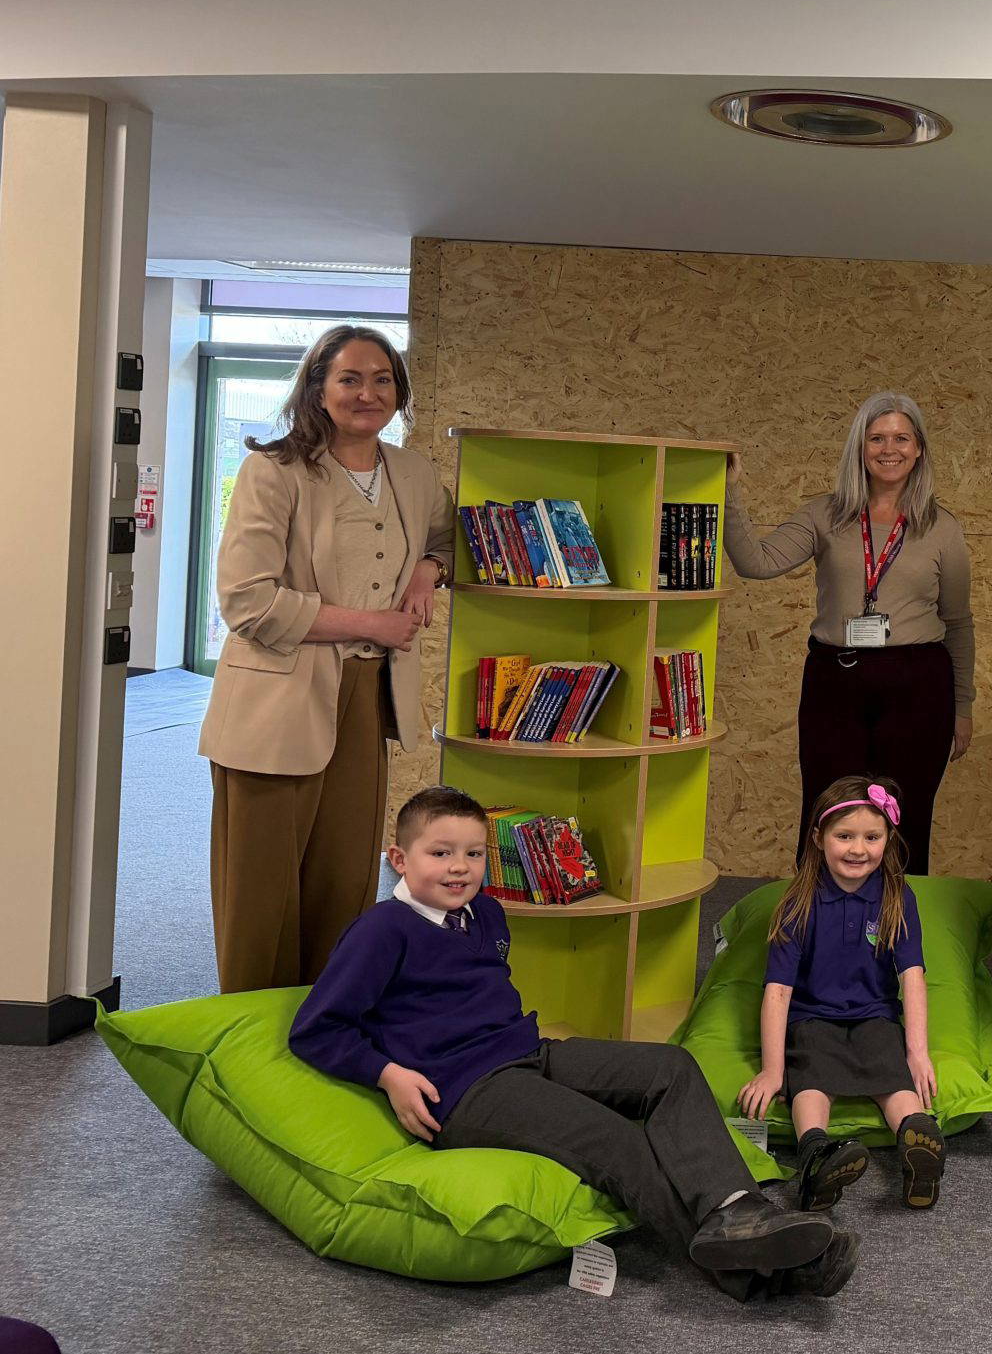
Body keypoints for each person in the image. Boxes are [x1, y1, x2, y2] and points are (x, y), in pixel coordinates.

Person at [289, 786, 857, 1302]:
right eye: (440, 853)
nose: (460, 868)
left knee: (671, 1067)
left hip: (530, 1052)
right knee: (616, 1142)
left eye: (474, 853)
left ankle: (741, 1213)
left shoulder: (483, 913)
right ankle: (760, 1273)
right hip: (467, 1090)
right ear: (399, 859)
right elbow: (316, 1027)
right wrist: (388, 1073)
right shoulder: (381, 931)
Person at [198, 325, 455, 993]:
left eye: (382, 379)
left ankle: (322, 1024)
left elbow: (448, 537)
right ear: (317, 387)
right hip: (273, 705)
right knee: (260, 896)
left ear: (399, 392)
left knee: (344, 887)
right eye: (350, 378)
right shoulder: (273, 470)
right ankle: (250, 1040)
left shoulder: (413, 471)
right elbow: (247, 601)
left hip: (368, 699)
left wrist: (429, 568)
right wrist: (374, 621)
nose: (368, 392)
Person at [723, 392, 974, 874]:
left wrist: (963, 707)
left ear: (919, 448)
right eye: (877, 438)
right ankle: (817, 930)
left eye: (902, 438)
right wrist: (728, 490)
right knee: (828, 811)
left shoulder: (943, 528)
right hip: (835, 681)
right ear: (859, 447)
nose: (889, 448)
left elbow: (959, 623)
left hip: (918, 683)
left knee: (906, 816)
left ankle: (898, 937)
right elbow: (756, 563)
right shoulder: (825, 515)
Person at [736, 775, 946, 1211]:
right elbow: (778, 990)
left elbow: (912, 976)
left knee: (893, 1075)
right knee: (810, 1077)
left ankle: (918, 1143)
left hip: (875, 1015)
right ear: (818, 838)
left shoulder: (898, 897)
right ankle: (817, 1154)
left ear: (888, 840)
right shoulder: (798, 903)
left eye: (872, 837)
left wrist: (919, 1052)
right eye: (844, 836)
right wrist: (773, 1071)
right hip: (812, 1017)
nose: (858, 849)